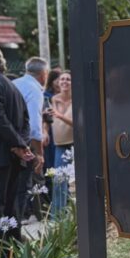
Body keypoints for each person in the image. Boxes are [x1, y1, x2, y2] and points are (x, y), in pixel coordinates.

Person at [0, 44, 33, 258]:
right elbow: (25, 121)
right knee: (9, 207)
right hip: (11, 158)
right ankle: (14, 254)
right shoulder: (12, 86)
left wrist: (17, 145)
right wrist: (21, 145)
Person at [14, 57, 48, 220]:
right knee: (26, 186)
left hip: (9, 141)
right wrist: (39, 153)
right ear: (43, 74)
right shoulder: (34, 89)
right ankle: (20, 223)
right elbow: (34, 126)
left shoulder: (15, 83)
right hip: (25, 143)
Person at [50, 70, 73, 216]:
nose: (64, 81)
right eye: (62, 79)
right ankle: (57, 216)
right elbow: (49, 119)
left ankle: (72, 213)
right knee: (59, 180)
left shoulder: (77, 99)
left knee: (73, 182)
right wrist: (45, 130)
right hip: (59, 144)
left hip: (74, 144)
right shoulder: (54, 99)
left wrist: (60, 116)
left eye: (68, 79)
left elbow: (79, 124)